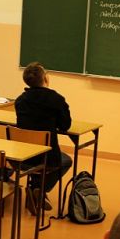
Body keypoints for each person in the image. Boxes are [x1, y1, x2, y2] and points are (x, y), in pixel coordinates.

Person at [15, 62, 72, 214]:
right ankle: (39, 189)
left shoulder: (20, 100)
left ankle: (35, 189)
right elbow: (65, 126)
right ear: (45, 79)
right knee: (66, 161)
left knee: (38, 162)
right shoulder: (56, 99)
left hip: (23, 155)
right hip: (47, 156)